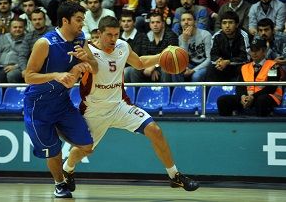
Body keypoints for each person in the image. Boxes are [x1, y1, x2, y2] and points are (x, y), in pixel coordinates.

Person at [62, 15, 200, 193]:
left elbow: (140, 63)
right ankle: (67, 169)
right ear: (99, 33)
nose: (113, 39)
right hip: (94, 111)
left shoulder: (122, 46)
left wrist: (163, 55)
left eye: (116, 34)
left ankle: (174, 176)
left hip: (120, 106)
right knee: (84, 150)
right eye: (109, 35)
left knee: (155, 131)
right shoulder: (87, 50)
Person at [23, 1, 98, 198]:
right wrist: (55, 75)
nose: (82, 24)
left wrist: (87, 60)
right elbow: (28, 76)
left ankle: (66, 164)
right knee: (53, 151)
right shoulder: (45, 43)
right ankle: (59, 183)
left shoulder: (81, 38)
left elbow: (95, 67)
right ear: (65, 20)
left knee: (87, 146)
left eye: (83, 19)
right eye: (79, 20)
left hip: (62, 104)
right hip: (38, 107)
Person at [217, 37, 283, 116]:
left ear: (264, 51)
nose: (254, 53)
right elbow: (240, 86)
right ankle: (227, 126)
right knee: (223, 100)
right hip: (249, 98)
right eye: (252, 50)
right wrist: (243, 97)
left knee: (261, 100)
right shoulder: (244, 67)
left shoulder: (273, 66)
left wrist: (252, 97)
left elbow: (271, 88)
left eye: (257, 50)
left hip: (267, 97)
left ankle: (262, 125)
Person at [206, 11, 249, 82]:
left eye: (230, 22)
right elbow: (213, 55)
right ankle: (212, 92)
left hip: (237, 66)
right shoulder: (217, 36)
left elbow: (245, 57)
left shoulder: (243, 35)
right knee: (211, 68)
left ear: (237, 24)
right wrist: (219, 61)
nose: (227, 26)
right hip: (222, 66)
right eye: (224, 23)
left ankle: (241, 92)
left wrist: (228, 62)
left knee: (244, 68)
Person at [172, 11, 212, 82]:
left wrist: (193, 70)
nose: (186, 22)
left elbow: (209, 59)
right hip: (189, 65)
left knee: (196, 76)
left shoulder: (205, 35)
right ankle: (180, 91)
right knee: (175, 70)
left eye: (189, 19)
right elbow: (182, 60)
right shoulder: (180, 38)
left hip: (203, 65)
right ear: (180, 23)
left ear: (195, 22)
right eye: (183, 20)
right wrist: (185, 40)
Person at [18, 8, 55, 78]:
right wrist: (24, 69)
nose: (37, 22)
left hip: (53, 65)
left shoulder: (54, 32)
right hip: (34, 67)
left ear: (45, 20)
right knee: (13, 74)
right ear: (31, 21)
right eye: (34, 20)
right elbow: (22, 55)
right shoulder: (28, 36)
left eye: (40, 19)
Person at [0, 18, 25, 83]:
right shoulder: (3, 37)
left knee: (6, 74)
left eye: (20, 27)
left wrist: (16, 66)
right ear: (10, 28)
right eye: (15, 27)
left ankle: (7, 93)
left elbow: (27, 57)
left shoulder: (27, 40)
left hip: (16, 67)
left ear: (24, 28)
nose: (17, 29)